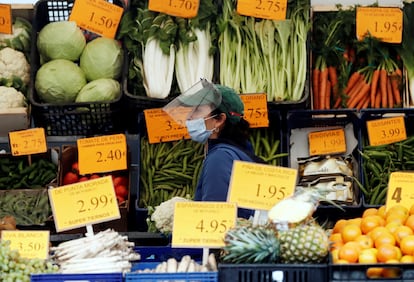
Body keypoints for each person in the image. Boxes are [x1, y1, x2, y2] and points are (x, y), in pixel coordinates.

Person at [163, 79, 264, 218]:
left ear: (219, 119)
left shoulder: (219, 159)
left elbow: (213, 218)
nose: (189, 116)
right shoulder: (238, 151)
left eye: (197, 110)